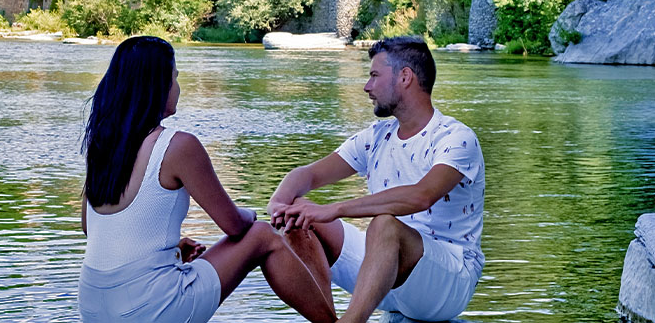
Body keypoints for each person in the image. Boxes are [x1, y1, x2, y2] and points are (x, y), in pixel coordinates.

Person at [78, 36, 336, 323]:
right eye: (175, 77)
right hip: (148, 308)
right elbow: (234, 226)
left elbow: (91, 228)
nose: (178, 87)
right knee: (262, 234)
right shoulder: (177, 146)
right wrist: (250, 214)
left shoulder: (102, 145)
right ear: (158, 84)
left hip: (92, 305)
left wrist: (171, 251)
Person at [269, 36, 485, 323]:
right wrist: (279, 203)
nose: (367, 86)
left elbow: (422, 196)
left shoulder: (456, 137)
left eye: (374, 75)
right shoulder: (376, 136)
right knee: (298, 215)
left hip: (447, 280)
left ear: (404, 77)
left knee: (385, 225)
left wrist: (335, 208)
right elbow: (307, 174)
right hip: (384, 269)